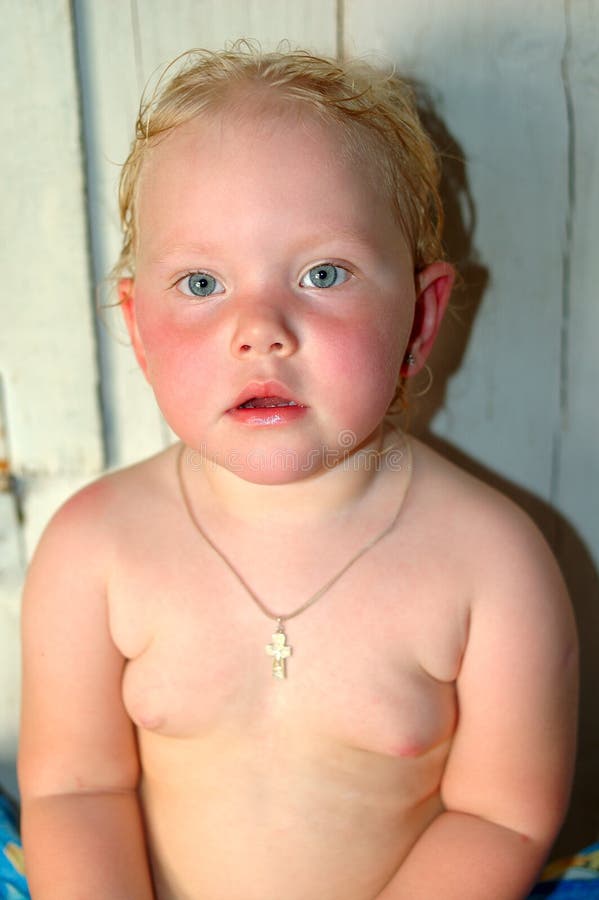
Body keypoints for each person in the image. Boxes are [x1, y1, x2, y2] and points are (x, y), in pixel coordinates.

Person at [17, 42, 578, 900]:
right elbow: (73, 790)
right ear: (135, 325)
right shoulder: (93, 551)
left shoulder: (493, 564)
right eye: (201, 282)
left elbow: (498, 815)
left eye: (323, 274)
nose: (260, 329)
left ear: (420, 319)